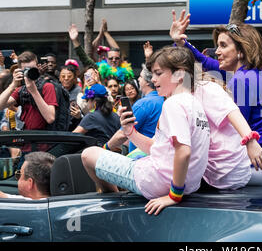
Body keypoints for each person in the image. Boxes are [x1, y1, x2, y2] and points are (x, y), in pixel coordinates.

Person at [81, 46, 210, 215]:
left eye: (158, 73)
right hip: (186, 184)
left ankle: (113, 211)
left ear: (179, 74)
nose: (153, 79)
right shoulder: (194, 103)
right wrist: (130, 132)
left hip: (156, 181)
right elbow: (160, 148)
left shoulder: (174, 104)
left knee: (88, 154)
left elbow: (183, 151)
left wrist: (174, 195)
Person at [170, 9, 262, 186]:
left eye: (223, 46)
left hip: (258, 167)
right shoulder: (248, 73)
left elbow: (232, 134)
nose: (216, 52)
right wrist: (180, 42)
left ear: (241, 51)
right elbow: (204, 61)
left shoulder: (241, 80)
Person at [105, 65, 164, 153]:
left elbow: (123, 134)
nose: (138, 79)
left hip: (141, 158)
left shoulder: (143, 104)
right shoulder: (164, 99)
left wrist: (105, 147)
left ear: (148, 82)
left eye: (140, 77)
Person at [0, 51, 58, 130]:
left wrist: (34, 92)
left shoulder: (47, 86)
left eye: (33, 69)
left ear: (37, 67)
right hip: (26, 138)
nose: (30, 72)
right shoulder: (21, 89)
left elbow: (50, 118)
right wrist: (13, 85)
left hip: (44, 139)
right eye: (26, 70)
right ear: (20, 71)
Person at [59, 65, 82, 131]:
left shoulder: (80, 92)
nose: (66, 78)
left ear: (75, 78)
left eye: (69, 76)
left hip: (75, 128)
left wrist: (79, 115)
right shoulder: (56, 90)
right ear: (59, 78)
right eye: (63, 76)